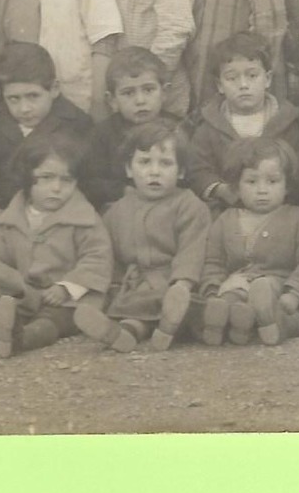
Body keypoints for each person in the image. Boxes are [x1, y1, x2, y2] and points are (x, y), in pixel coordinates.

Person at [0, 134, 110, 358]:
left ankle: (20, 340)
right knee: (3, 313)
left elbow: (97, 257)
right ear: (27, 179)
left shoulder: (84, 219)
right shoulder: (9, 221)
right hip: (23, 295)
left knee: (50, 322)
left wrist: (66, 287)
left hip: (65, 301)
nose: (56, 188)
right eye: (46, 177)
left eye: (67, 180)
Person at [74, 121, 211, 352]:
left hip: (171, 282)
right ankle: (125, 334)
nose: (154, 172)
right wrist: (113, 285)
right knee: (129, 308)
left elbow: (192, 251)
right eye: (144, 162)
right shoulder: (117, 211)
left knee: (187, 306)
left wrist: (182, 284)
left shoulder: (189, 206)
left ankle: (171, 321)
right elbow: (109, 256)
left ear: (182, 171)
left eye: (165, 163)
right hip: (136, 285)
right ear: (129, 169)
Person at [0, 43, 95, 269]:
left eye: (33, 96)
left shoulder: (77, 124)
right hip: (3, 212)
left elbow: (85, 181)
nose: (24, 108)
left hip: (57, 214)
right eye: (13, 99)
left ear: (54, 89)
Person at [198, 137, 299, 347]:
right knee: (230, 296)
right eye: (252, 181)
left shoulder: (298, 219)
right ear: (236, 186)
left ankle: (256, 318)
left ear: (287, 186)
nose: (262, 190)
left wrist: (294, 295)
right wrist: (213, 291)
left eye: (272, 182)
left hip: (281, 290)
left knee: (271, 294)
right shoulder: (226, 220)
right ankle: (225, 321)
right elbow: (213, 262)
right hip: (237, 286)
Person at [187, 32, 299, 213]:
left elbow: (298, 168)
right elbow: (197, 169)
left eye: (252, 75)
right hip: (226, 211)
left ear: (268, 79)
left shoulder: (285, 121)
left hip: (278, 210)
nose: (243, 85)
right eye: (232, 78)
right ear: (219, 85)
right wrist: (221, 190)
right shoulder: (210, 125)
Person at [82, 46, 181, 210]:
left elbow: (189, 176)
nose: (140, 100)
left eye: (148, 90)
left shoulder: (177, 129)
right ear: (112, 100)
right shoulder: (101, 135)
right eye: (128, 93)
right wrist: (123, 191)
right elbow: (90, 182)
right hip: (119, 209)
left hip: (169, 207)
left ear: (164, 92)